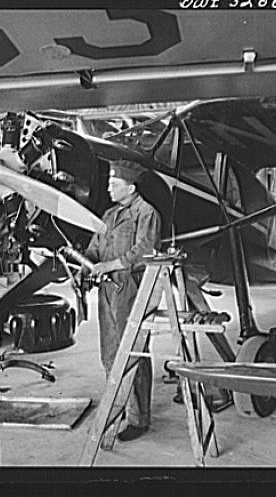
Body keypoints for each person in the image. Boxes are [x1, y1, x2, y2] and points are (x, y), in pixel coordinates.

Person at [84, 160, 162, 442]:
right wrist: (84, 266)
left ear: (130, 187)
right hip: (107, 289)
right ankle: (119, 407)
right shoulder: (108, 214)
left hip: (133, 288)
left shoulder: (146, 213)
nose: (108, 188)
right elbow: (95, 246)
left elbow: (145, 250)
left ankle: (139, 418)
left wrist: (111, 265)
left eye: (113, 184)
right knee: (110, 353)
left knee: (134, 352)